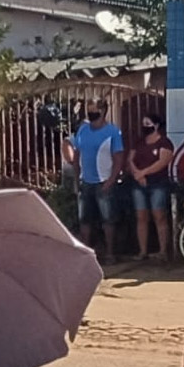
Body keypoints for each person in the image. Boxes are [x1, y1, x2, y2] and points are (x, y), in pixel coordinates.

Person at [69, 98, 124, 264]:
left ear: (102, 111)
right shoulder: (83, 130)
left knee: (108, 220)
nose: (90, 113)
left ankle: (110, 253)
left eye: (93, 110)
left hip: (103, 181)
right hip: (85, 181)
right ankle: (87, 253)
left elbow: (118, 159)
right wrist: (76, 179)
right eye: (89, 109)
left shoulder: (113, 132)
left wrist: (111, 181)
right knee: (85, 220)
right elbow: (77, 154)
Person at [128, 113, 174, 262]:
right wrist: (137, 174)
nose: (145, 126)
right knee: (141, 217)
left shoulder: (165, 143)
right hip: (139, 184)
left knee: (159, 216)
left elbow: (162, 162)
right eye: (143, 123)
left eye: (148, 123)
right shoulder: (139, 142)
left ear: (156, 125)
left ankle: (163, 251)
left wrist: (143, 173)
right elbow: (130, 159)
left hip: (158, 184)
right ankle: (143, 251)